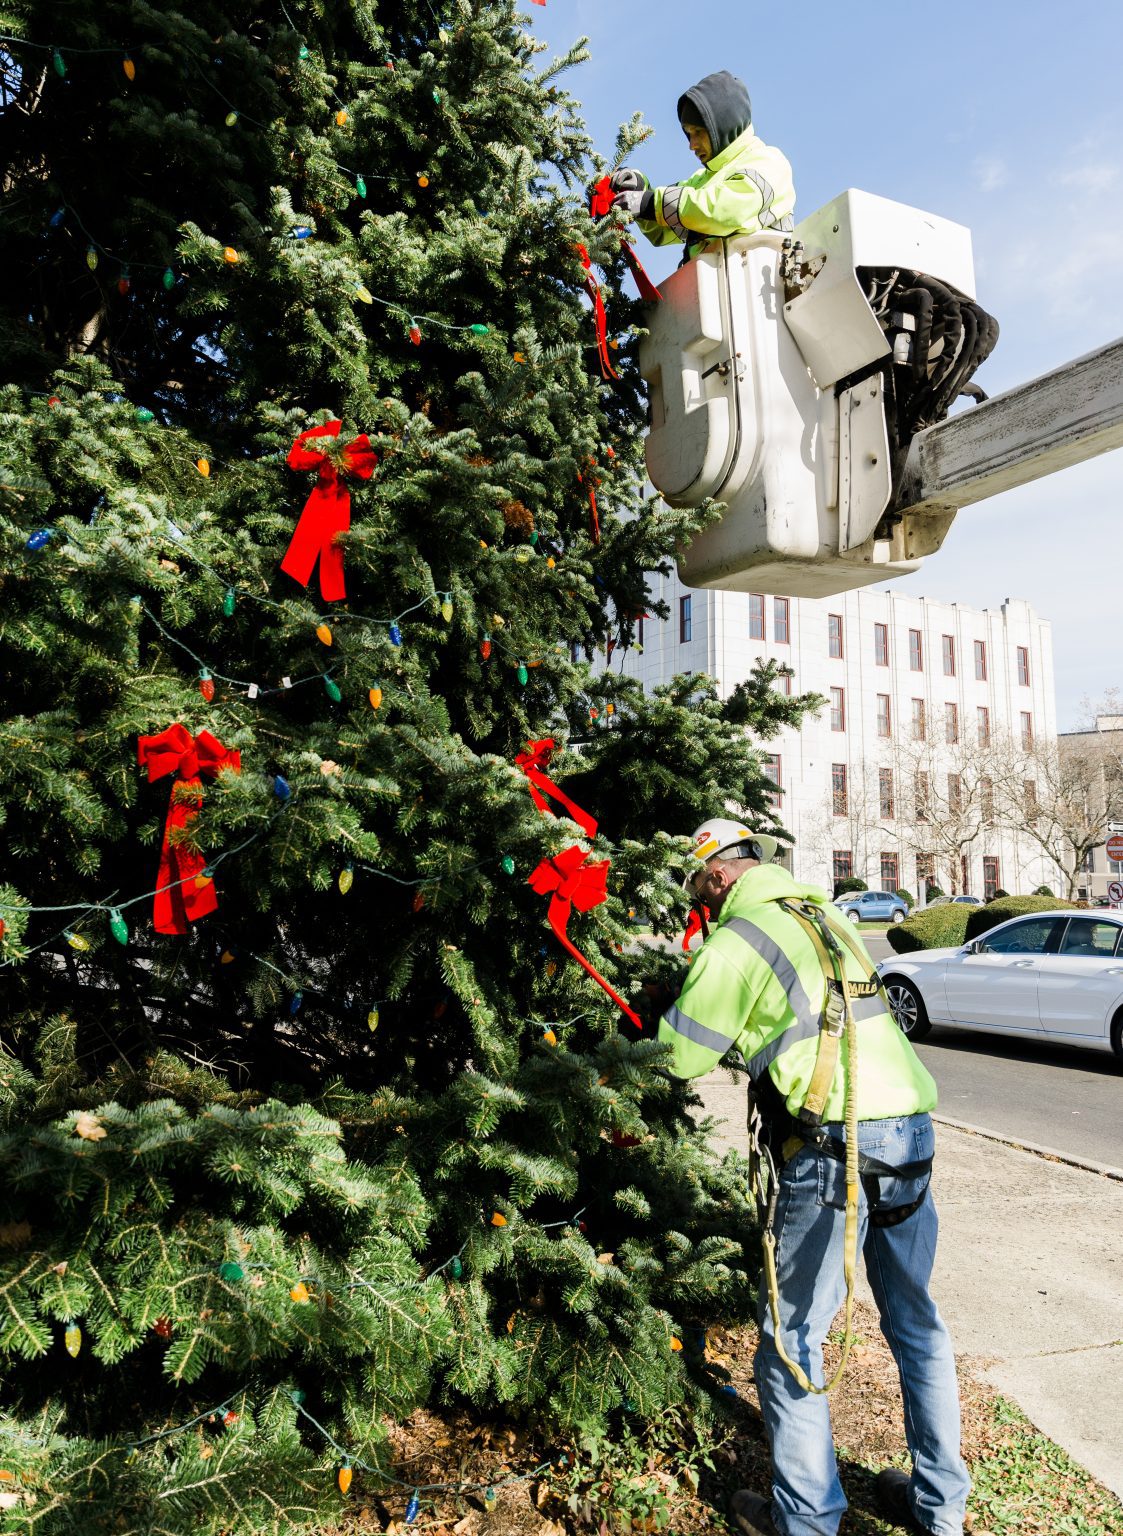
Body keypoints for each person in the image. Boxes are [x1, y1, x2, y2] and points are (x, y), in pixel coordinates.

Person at [657, 819, 970, 1536]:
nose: (699, 906)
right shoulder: (823, 916)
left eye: (698, 891)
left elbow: (673, 1058)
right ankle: (939, 1511)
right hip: (910, 1139)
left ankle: (805, 1522)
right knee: (916, 1325)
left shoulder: (739, 942)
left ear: (716, 878)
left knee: (791, 1341)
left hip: (835, 1153)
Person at [608, 70, 795, 261]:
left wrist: (651, 202)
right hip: (714, 288)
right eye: (689, 134)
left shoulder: (768, 162)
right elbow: (663, 226)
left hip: (761, 287)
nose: (692, 144)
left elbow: (725, 211)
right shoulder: (702, 181)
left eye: (698, 132)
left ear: (723, 125)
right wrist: (640, 187)